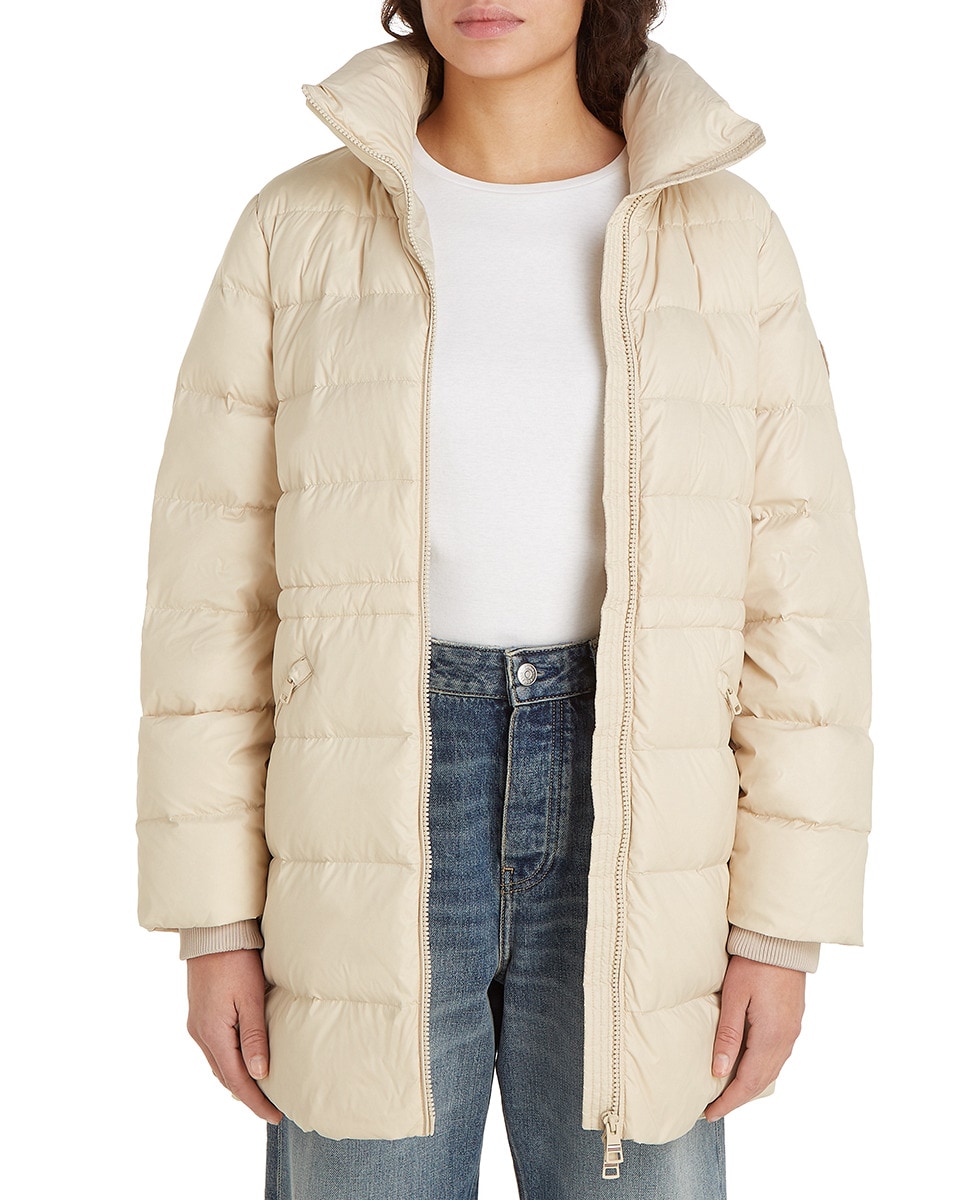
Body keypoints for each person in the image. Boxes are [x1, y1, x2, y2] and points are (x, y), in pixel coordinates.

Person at [135, 2, 873, 1197]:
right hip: (359, 803)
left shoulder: (723, 238)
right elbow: (211, 599)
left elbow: (801, 603)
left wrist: (779, 930)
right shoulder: (298, 227)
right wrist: (213, 922)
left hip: (646, 807)